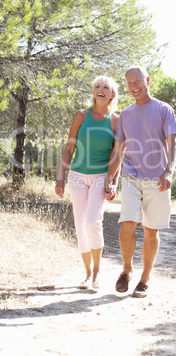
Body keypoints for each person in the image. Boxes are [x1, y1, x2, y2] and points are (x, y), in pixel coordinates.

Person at [104, 66, 176, 297]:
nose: (134, 86)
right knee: (127, 222)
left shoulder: (163, 109)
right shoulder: (126, 114)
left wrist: (169, 171)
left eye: (137, 81)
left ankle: (145, 278)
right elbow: (118, 151)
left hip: (158, 178)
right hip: (131, 174)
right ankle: (127, 270)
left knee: (150, 230)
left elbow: (173, 143)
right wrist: (110, 178)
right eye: (129, 83)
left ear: (147, 80)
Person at [55, 75, 119, 290]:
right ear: (93, 92)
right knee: (80, 225)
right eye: (97, 86)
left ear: (112, 95)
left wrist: (113, 182)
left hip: (101, 176)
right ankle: (87, 274)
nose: (100, 89)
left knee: (93, 221)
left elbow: (118, 154)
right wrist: (60, 177)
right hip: (77, 176)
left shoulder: (115, 121)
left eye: (105, 87)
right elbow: (69, 148)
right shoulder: (81, 116)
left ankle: (98, 273)